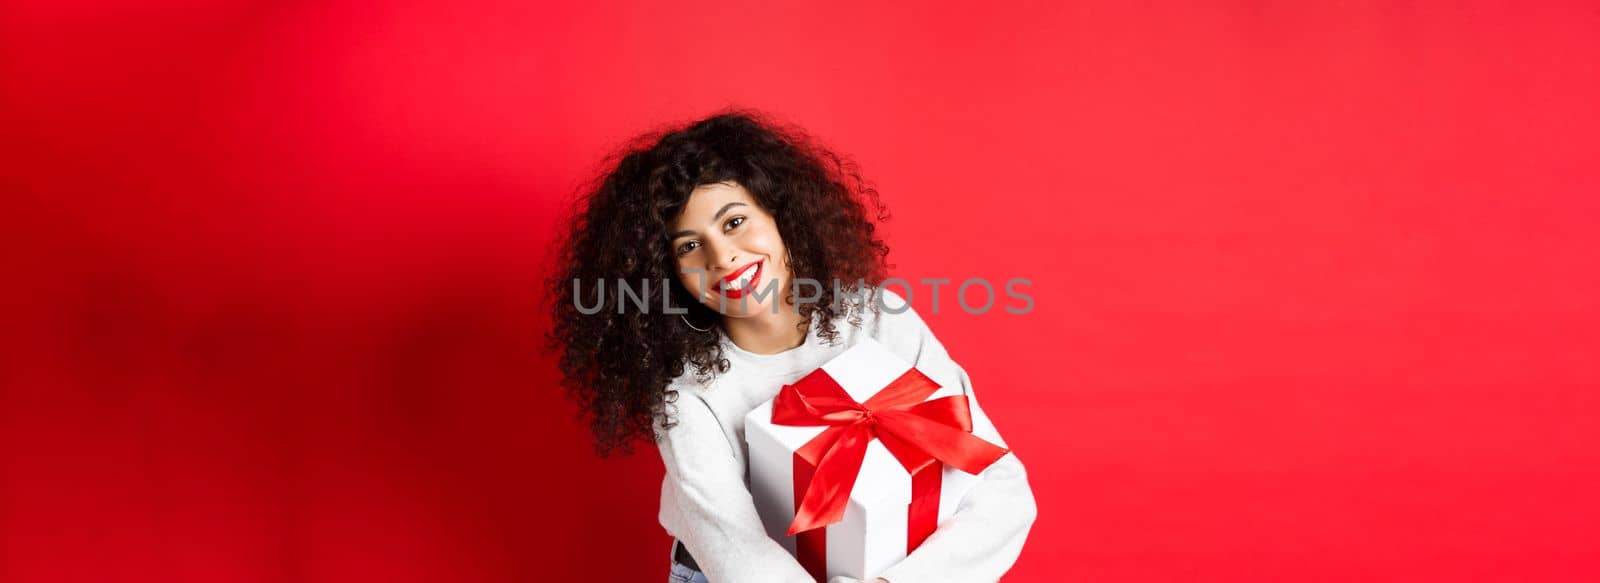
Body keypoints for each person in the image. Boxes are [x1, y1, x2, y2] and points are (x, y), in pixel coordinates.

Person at [547, 111, 1036, 582]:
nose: (724, 257)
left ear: (781, 216)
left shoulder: (879, 322)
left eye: (734, 222)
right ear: (667, 274)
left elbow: (999, 487)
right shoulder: (687, 395)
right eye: (689, 246)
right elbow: (742, 559)